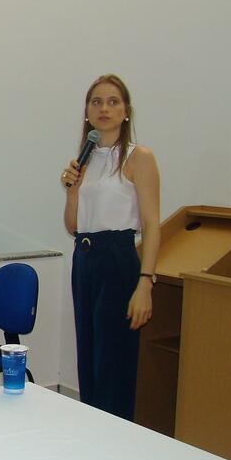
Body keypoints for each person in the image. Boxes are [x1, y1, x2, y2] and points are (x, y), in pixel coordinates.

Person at [61, 74, 160, 422]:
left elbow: (151, 225)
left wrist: (145, 282)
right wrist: (72, 189)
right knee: (88, 357)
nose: (104, 108)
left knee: (113, 361)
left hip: (117, 258)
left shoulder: (138, 157)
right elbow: (73, 227)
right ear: (87, 112)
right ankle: (94, 436)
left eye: (113, 101)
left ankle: (117, 443)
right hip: (84, 259)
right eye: (97, 102)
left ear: (126, 111)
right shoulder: (84, 159)